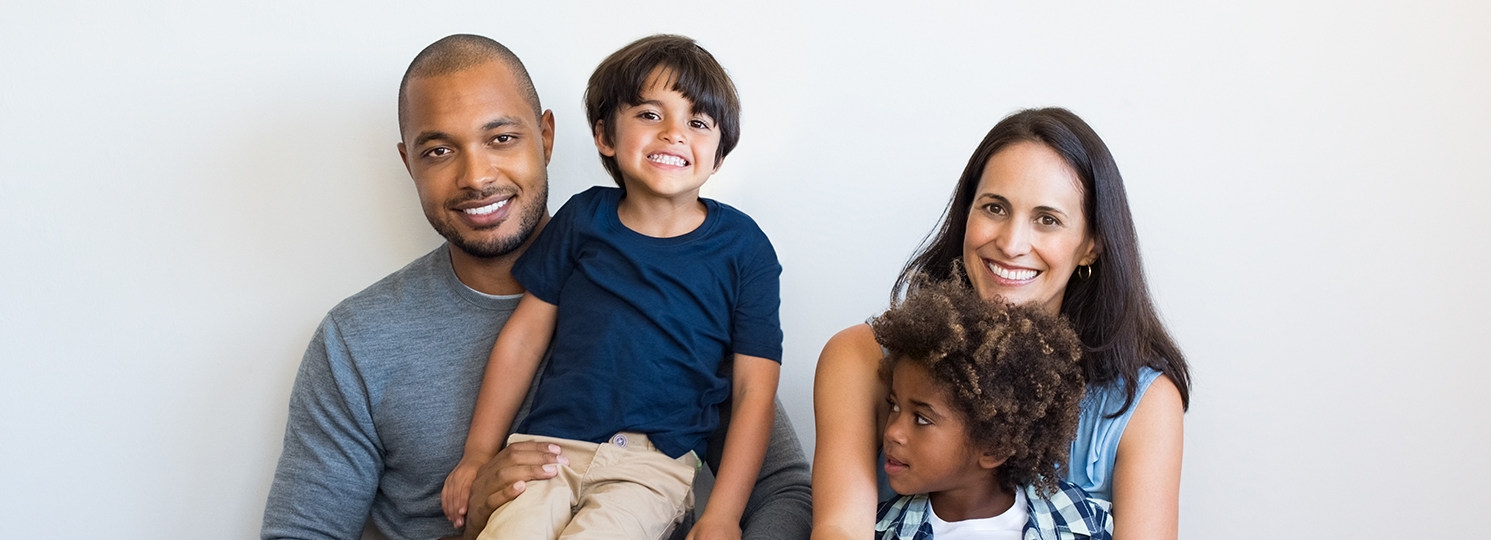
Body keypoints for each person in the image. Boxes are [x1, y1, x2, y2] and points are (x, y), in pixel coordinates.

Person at [260, 34, 813, 540]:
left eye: (501, 138)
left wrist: (718, 521)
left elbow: (784, 492)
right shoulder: (356, 342)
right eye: (439, 150)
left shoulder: (696, 279)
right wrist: (473, 522)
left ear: (546, 136)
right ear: (408, 163)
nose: (476, 176)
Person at [440, 35, 779, 540]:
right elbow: (523, 340)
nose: (673, 134)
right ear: (605, 135)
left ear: (719, 156)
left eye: (698, 122)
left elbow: (754, 390)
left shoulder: (744, 248)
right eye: (649, 114)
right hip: (545, 449)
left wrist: (723, 513)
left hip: (650, 466)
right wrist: (477, 454)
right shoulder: (583, 218)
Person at [811, 108, 1190, 540]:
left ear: (1091, 246)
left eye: (1047, 219)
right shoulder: (859, 357)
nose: (1011, 244)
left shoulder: (1142, 402)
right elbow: (839, 528)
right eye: (994, 208)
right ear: (966, 214)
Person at [869, 277, 1111, 540]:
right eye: (894, 406)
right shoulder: (879, 531)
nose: (893, 432)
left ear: (995, 447)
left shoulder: (1078, 520)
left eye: (922, 419)